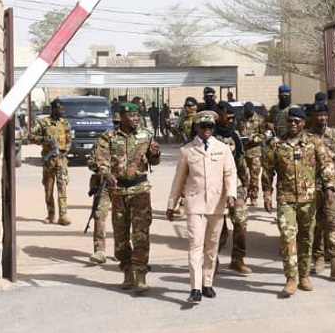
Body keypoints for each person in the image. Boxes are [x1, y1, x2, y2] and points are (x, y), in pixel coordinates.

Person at [262, 106, 335, 297]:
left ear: (304, 123)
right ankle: (291, 279)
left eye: (297, 121)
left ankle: (304, 275)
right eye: (290, 121)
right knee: (288, 238)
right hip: (285, 199)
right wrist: (267, 194)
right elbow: (268, 171)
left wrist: (329, 187)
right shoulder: (276, 145)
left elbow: (326, 165)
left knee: (306, 238)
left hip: (308, 200)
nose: (293, 124)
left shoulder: (314, 143)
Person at [166, 111, 238, 304]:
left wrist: (231, 194)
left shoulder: (222, 148)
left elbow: (230, 174)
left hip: (217, 204)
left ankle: (207, 283)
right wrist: (171, 204)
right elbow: (178, 180)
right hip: (195, 204)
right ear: (196, 127)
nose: (207, 130)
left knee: (212, 246)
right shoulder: (187, 151)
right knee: (195, 246)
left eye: (210, 127)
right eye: (203, 126)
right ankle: (195, 287)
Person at [90, 101, 161, 293]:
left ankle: (140, 275)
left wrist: (156, 153)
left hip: (140, 190)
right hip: (118, 192)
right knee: (121, 236)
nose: (136, 118)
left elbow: (155, 160)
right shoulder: (109, 137)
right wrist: (106, 173)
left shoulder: (146, 135)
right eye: (131, 115)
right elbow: (97, 159)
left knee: (141, 234)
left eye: (138, 115)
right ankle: (127, 272)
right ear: (121, 117)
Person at [307, 102, 335, 278]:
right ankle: (318, 258)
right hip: (311, 185)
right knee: (316, 224)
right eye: (319, 115)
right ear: (313, 116)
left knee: (332, 221)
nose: (322, 118)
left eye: (325, 114)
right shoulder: (306, 136)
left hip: (334, 185)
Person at [213, 101, 251, 274]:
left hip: (234, 185)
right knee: (216, 228)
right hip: (213, 187)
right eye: (227, 117)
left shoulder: (233, 135)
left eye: (232, 117)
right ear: (218, 115)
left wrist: (246, 183)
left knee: (241, 223)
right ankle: (213, 260)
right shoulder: (208, 133)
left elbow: (240, 160)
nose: (230, 120)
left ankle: (237, 259)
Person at [28, 98, 72, 225]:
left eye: (63, 108)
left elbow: (69, 140)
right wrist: (44, 140)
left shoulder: (65, 124)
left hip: (61, 160)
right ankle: (51, 214)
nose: (62, 111)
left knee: (62, 187)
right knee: (48, 188)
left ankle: (63, 215)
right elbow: (31, 136)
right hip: (48, 160)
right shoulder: (43, 123)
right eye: (60, 108)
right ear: (53, 109)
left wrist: (64, 152)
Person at [236, 101, 267, 206]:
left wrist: (253, 139)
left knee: (254, 176)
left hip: (254, 151)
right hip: (242, 151)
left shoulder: (260, 119)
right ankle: (244, 195)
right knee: (243, 175)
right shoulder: (240, 118)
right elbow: (236, 131)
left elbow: (263, 135)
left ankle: (254, 197)